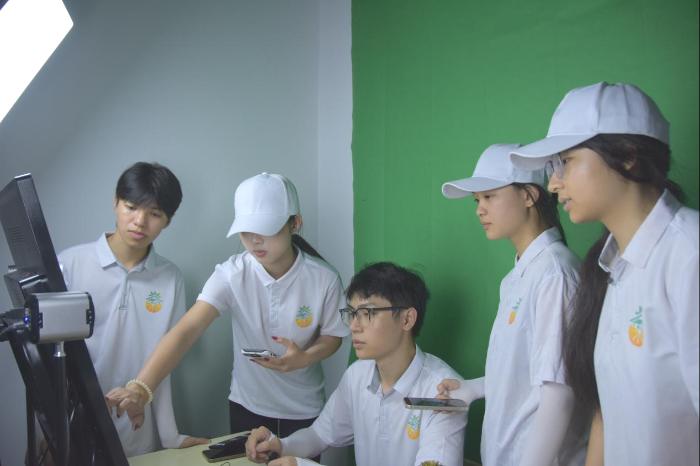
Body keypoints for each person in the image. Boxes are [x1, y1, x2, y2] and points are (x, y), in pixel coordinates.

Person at [510, 81, 699, 466]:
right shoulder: (610, 270)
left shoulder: (688, 255)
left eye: (566, 161)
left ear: (627, 155)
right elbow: (607, 412)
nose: (554, 184)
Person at [105, 172, 349, 449]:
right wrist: (140, 388)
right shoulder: (232, 274)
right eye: (246, 230)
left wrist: (304, 358)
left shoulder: (323, 278)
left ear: (295, 223)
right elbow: (187, 330)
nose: (254, 240)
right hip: (247, 406)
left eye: (265, 230)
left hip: (305, 409)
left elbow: (333, 336)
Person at [437, 144, 586, 466]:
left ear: (528, 196)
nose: (479, 210)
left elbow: (558, 390)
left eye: (489, 196)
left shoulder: (554, 274)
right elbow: (528, 370)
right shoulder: (520, 275)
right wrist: (474, 389)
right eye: (477, 200)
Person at [245, 262, 467, 466]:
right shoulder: (357, 375)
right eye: (352, 313)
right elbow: (319, 435)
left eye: (367, 313)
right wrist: (280, 445)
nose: (353, 326)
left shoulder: (443, 392)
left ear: (407, 319)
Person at [58, 162, 207, 456]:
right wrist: (50, 431)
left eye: (155, 214)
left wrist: (169, 435)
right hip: (73, 428)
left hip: (138, 431)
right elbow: (49, 362)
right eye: (131, 207)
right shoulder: (69, 265)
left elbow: (165, 360)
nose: (140, 221)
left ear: (168, 221)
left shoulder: (170, 278)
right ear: (115, 202)